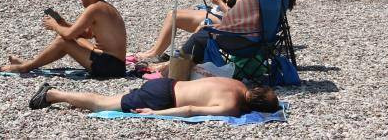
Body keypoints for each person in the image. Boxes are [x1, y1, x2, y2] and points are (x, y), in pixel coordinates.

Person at [0, 0, 127, 79]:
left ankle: (26, 67)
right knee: (75, 40)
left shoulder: (94, 8)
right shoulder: (106, 7)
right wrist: (63, 23)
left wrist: (54, 26)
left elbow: (68, 35)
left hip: (109, 67)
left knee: (63, 40)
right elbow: (87, 34)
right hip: (116, 65)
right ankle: (30, 62)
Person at [173, 0, 274, 65]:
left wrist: (218, 11)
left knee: (199, 36)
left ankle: (177, 68)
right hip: (259, 40)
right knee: (203, 31)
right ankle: (185, 66)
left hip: (246, 42)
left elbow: (234, 19)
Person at [28, 77, 280, 117]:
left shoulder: (236, 83)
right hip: (163, 99)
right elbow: (190, 109)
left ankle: (54, 94)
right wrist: (156, 114)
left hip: (168, 83)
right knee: (101, 103)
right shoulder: (232, 105)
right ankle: (52, 95)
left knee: (108, 97)